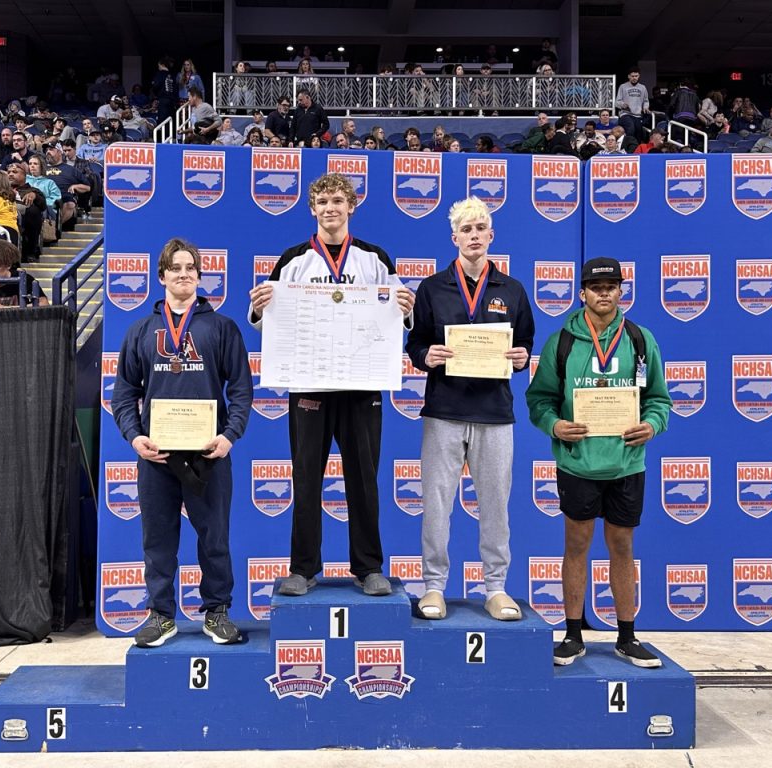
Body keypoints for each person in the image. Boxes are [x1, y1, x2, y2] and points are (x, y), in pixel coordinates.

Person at [247, 173, 415, 598]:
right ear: (312, 209)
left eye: (338, 200)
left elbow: (397, 320)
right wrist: (259, 310)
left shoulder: (374, 259)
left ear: (351, 206)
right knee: (306, 478)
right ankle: (303, 568)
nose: (330, 208)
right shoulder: (293, 259)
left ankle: (369, 567)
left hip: (361, 389)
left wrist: (406, 308)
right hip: (310, 387)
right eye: (322, 202)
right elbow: (273, 324)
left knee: (364, 479)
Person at [525, 257, 671, 668]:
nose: (603, 293)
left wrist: (651, 425)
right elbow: (539, 399)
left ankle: (627, 636)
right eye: (595, 287)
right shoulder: (561, 342)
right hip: (578, 464)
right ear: (582, 293)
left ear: (621, 291)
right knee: (576, 545)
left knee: (622, 546)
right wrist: (555, 425)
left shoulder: (640, 339)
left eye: (611, 287)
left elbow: (659, 399)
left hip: (627, 463)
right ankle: (573, 635)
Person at [113, 237, 252, 647]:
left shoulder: (222, 328)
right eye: (175, 268)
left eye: (190, 268)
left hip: (209, 454)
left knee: (214, 538)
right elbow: (124, 394)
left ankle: (217, 611)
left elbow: (241, 390)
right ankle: (161, 615)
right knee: (158, 540)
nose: (183, 274)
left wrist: (229, 436)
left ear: (200, 276)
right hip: (157, 456)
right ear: (162, 276)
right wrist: (135, 436)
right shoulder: (141, 331)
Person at [405, 197, 535, 622]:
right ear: (454, 238)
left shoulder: (512, 290)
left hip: (495, 413)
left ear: (491, 235)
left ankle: (496, 587)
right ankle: (434, 586)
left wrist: (522, 357)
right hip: (444, 410)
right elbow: (415, 344)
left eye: (480, 228)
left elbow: (525, 343)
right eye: (466, 229)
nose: (474, 235)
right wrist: (426, 356)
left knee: (495, 505)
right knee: (436, 503)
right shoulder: (432, 288)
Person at [615, 69, 650, 138]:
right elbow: (617, 102)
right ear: (629, 76)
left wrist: (645, 107)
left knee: (639, 132)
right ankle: (628, 144)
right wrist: (623, 105)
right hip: (626, 114)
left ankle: (636, 145)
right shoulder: (623, 86)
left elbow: (646, 101)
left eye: (636, 76)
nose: (634, 78)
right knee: (631, 129)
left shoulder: (643, 87)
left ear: (639, 76)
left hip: (638, 115)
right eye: (632, 76)